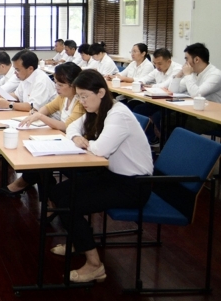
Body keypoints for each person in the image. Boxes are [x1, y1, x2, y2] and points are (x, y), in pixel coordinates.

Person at [50, 69, 153, 283]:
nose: (81, 102)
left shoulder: (118, 114)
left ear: (101, 93)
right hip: (112, 176)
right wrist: (77, 138)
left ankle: (95, 265)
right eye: (79, 97)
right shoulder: (97, 110)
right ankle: (80, 241)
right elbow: (72, 127)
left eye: (84, 96)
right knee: (59, 191)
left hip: (134, 186)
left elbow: (101, 149)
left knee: (70, 203)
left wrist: (86, 142)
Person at [3, 62, 85, 195]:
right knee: (33, 149)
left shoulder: (81, 102)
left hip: (76, 145)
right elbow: (48, 108)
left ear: (74, 85)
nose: (56, 87)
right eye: (56, 83)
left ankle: (34, 188)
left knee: (40, 157)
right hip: (64, 139)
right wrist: (36, 114)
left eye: (60, 84)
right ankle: (40, 190)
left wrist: (40, 116)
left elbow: (66, 126)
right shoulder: (63, 97)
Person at [132, 48, 183, 144]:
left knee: (158, 117)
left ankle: (167, 143)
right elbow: (145, 79)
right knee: (138, 109)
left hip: (173, 104)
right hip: (159, 101)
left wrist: (151, 86)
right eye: (155, 63)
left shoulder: (178, 69)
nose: (157, 66)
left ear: (169, 61)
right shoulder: (157, 69)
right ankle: (152, 138)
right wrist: (140, 83)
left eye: (159, 63)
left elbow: (166, 86)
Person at [169, 42, 221, 134]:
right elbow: (173, 90)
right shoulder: (193, 73)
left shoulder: (215, 74)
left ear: (196, 59)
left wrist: (187, 75)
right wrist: (179, 75)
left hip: (212, 116)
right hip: (194, 111)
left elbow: (196, 94)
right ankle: (169, 143)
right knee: (168, 119)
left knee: (188, 126)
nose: (185, 62)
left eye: (186, 59)